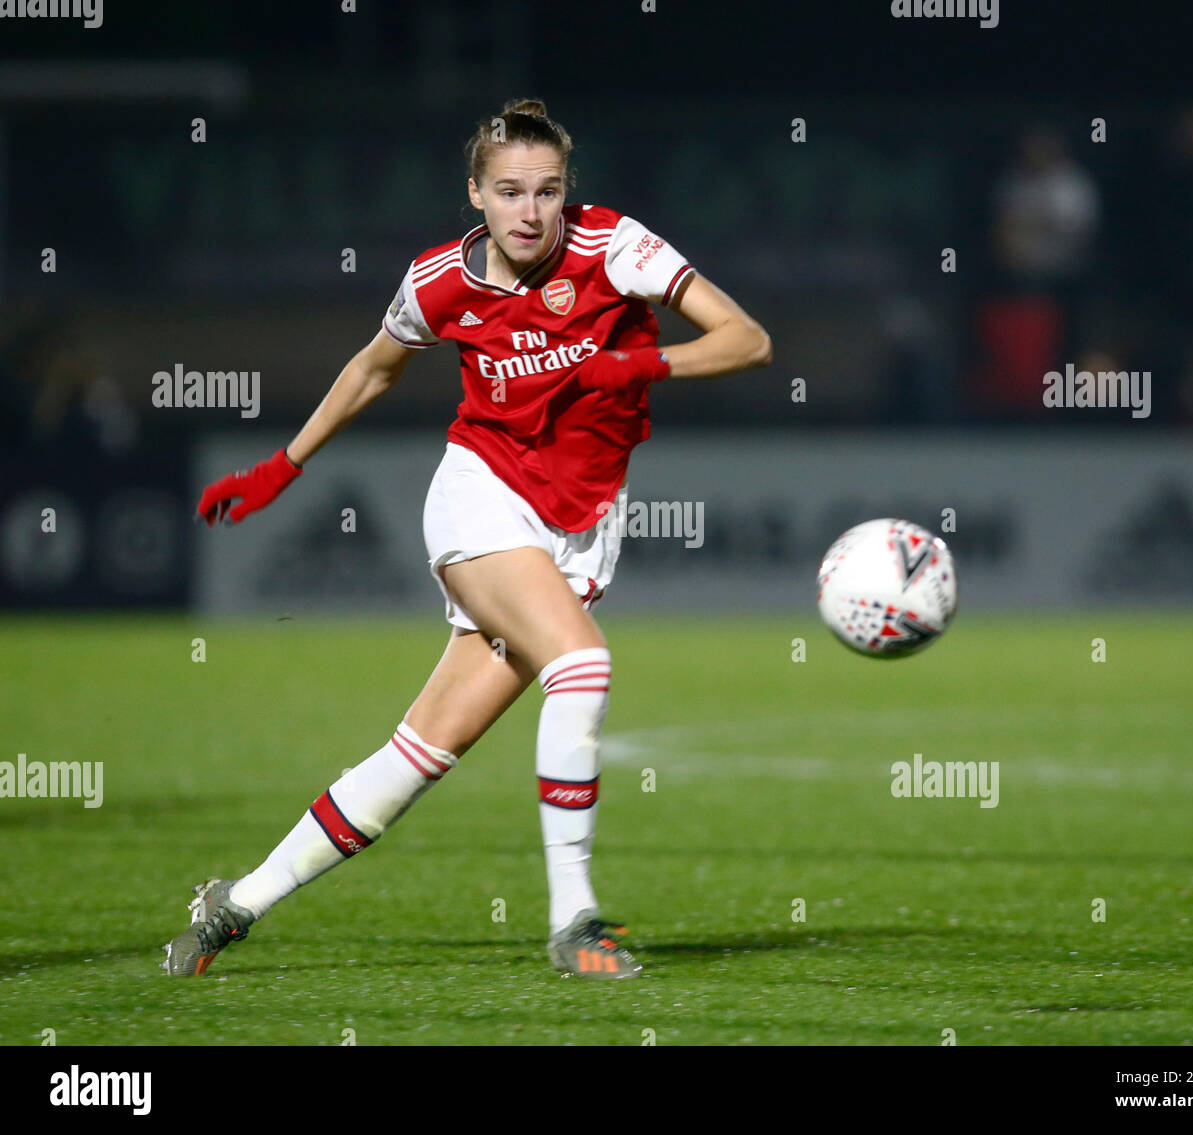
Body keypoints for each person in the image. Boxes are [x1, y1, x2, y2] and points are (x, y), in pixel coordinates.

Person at [163, 98, 771, 979]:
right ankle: (575, 919)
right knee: (583, 664)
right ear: (476, 195)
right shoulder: (441, 282)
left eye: (549, 191)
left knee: (421, 754)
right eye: (511, 191)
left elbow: (747, 340)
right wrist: (283, 466)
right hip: (481, 498)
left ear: (568, 194)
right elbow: (375, 365)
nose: (532, 212)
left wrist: (637, 363)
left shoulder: (616, 248)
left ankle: (239, 900)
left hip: (583, 524)